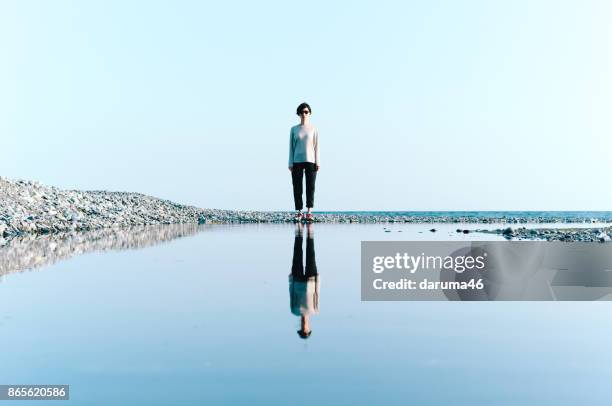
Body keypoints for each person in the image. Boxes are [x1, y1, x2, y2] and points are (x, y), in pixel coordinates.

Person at [288, 102, 320, 222]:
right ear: (298, 114)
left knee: (310, 186)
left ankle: (309, 211)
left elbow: (317, 146)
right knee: (297, 186)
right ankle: (299, 211)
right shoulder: (294, 129)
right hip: (297, 161)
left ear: (310, 113)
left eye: (306, 112)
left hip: (311, 160)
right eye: (301, 112)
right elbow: (290, 147)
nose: (304, 114)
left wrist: (318, 161)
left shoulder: (314, 129)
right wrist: (290, 162)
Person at [289, 222, 319, 339]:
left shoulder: (294, 310)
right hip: (311, 281)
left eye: (303, 329)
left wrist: (290, 280)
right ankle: (308, 230)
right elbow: (317, 294)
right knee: (310, 251)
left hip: (296, 281)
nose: (304, 326)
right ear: (309, 327)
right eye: (306, 329)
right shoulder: (314, 310)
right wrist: (318, 279)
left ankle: (299, 231)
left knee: (297, 251)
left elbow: (291, 295)